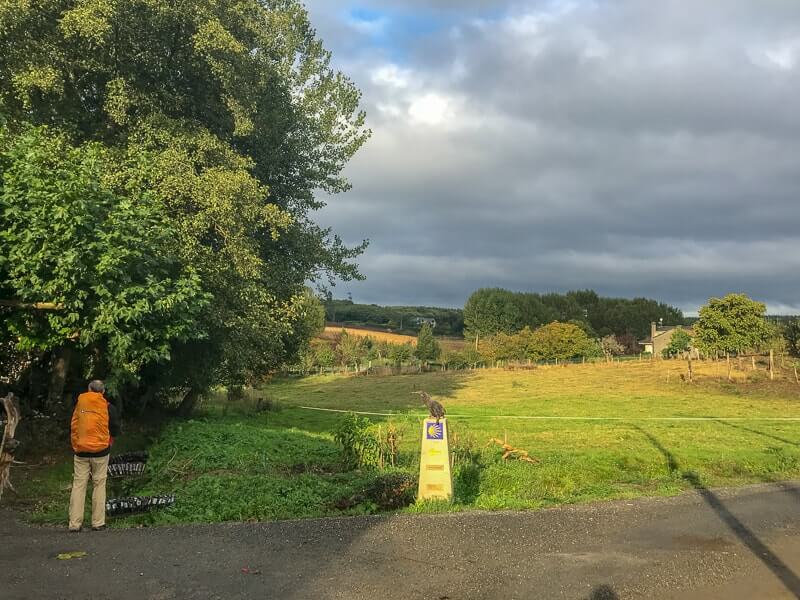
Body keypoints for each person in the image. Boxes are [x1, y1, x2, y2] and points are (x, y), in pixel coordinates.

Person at [68, 380, 120, 532]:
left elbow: (73, 425)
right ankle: (98, 523)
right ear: (103, 392)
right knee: (99, 484)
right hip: (101, 452)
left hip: (81, 451)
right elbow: (115, 428)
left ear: (89, 390)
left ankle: (74, 524)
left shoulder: (79, 405)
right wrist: (109, 442)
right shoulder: (108, 407)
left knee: (79, 485)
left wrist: (76, 444)